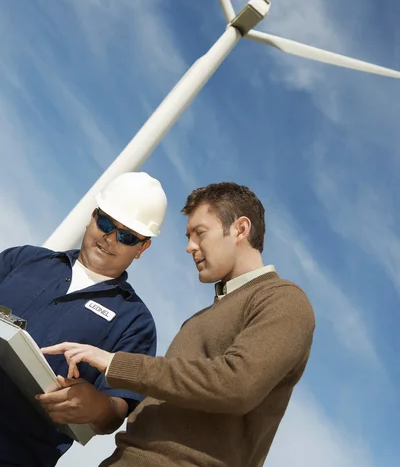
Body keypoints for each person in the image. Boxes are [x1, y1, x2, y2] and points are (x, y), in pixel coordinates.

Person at [44, 182, 315, 467]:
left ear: (241, 229)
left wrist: (115, 363)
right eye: (188, 236)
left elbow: (237, 384)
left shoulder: (284, 300)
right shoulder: (197, 320)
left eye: (200, 233)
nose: (189, 247)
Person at [0, 171, 167, 467]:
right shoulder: (24, 259)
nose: (110, 238)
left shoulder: (135, 322)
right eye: (105, 223)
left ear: (142, 247)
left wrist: (97, 407)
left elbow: (115, 411)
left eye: (127, 236)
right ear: (92, 216)